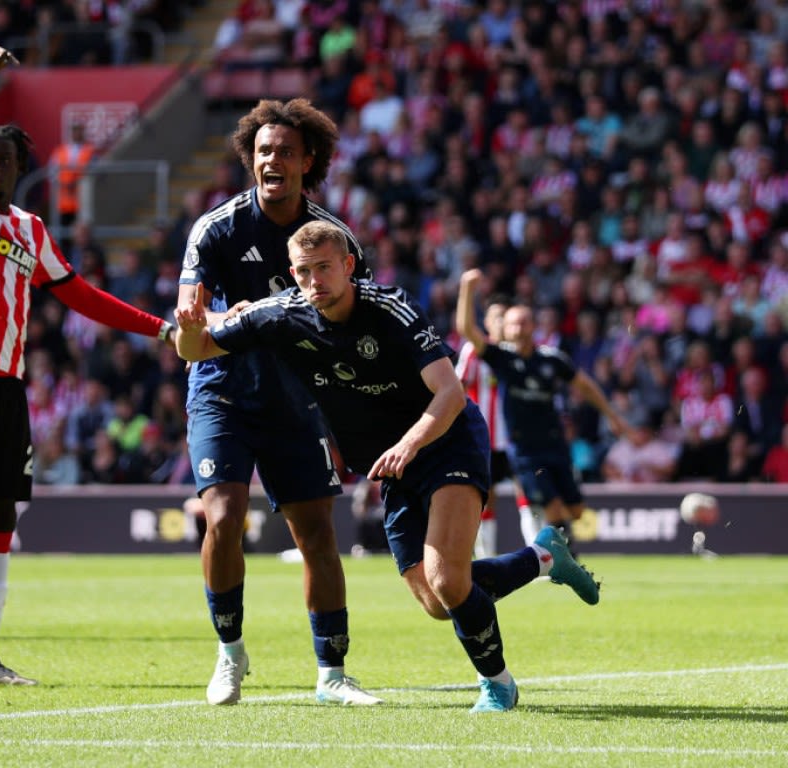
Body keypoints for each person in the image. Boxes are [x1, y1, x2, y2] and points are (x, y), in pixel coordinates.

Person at [175, 221, 600, 712]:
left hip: (445, 441)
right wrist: (189, 332)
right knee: (440, 603)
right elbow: (197, 349)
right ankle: (544, 557)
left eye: (326, 269)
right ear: (292, 274)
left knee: (447, 578)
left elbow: (450, 391)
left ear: (349, 266)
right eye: (305, 273)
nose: (316, 282)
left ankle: (498, 684)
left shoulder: (390, 307)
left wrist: (410, 443)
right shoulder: (281, 314)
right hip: (391, 467)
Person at [0, 44, 175, 688]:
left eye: (1, 159)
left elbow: (81, 296)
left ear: (18, 167)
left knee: (2, 516)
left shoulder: (31, 230)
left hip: (7, 385)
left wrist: (160, 328)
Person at [176, 98, 378, 706]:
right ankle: (230, 654)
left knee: (317, 533)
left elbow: (351, 317)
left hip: (297, 403)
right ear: (250, 158)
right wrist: (207, 317)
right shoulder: (215, 230)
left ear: (306, 160)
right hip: (222, 396)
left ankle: (332, 673)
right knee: (223, 518)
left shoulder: (330, 237)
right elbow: (191, 327)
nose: (273, 161)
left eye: (286, 151)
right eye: (264, 151)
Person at [457, 268, 629, 545]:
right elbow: (467, 330)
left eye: (522, 323)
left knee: (576, 510)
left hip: (555, 443)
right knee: (547, 506)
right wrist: (467, 289)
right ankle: (562, 559)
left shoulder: (551, 360)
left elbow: (584, 385)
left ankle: (561, 551)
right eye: (512, 324)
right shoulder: (502, 359)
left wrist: (611, 414)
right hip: (524, 449)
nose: (516, 329)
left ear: (533, 326)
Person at [454, 292, 538, 554]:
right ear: (487, 323)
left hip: (515, 438)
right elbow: (456, 388)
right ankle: (486, 559)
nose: (501, 322)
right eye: (496, 317)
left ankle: (539, 558)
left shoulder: (516, 354)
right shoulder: (474, 352)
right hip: (484, 439)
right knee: (485, 500)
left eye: (505, 317)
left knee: (529, 497)